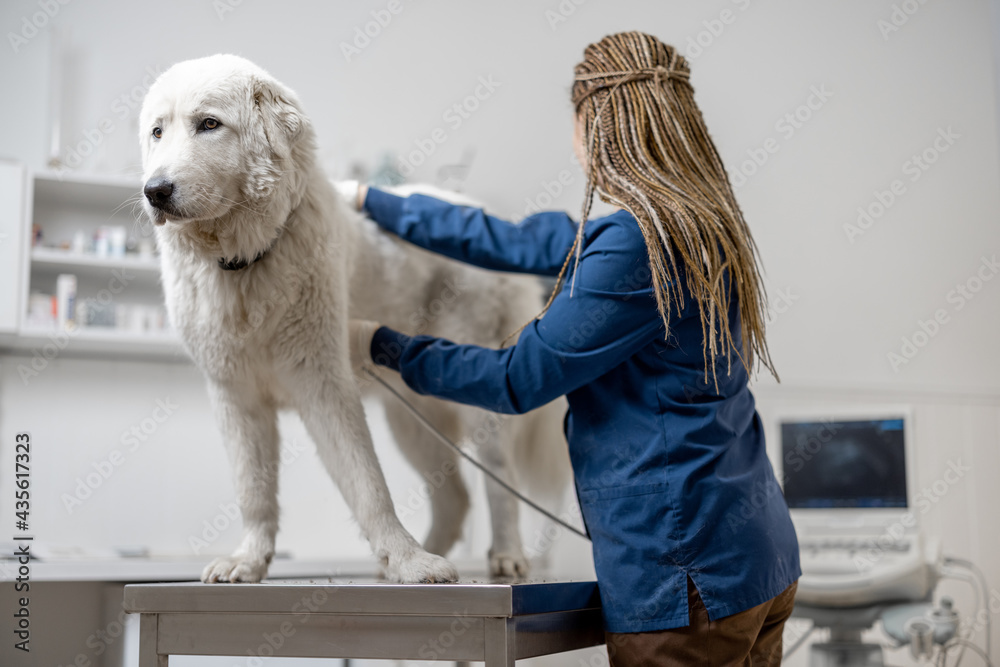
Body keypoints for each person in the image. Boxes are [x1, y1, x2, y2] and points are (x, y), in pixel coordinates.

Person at [343, 31, 800, 666]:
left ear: (597, 125)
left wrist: (379, 344)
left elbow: (515, 379)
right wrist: (370, 200)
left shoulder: (636, 247)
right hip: (757, 560)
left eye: (577, 126)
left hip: (687, 579)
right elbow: (514, 241)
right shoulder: (697, 226)